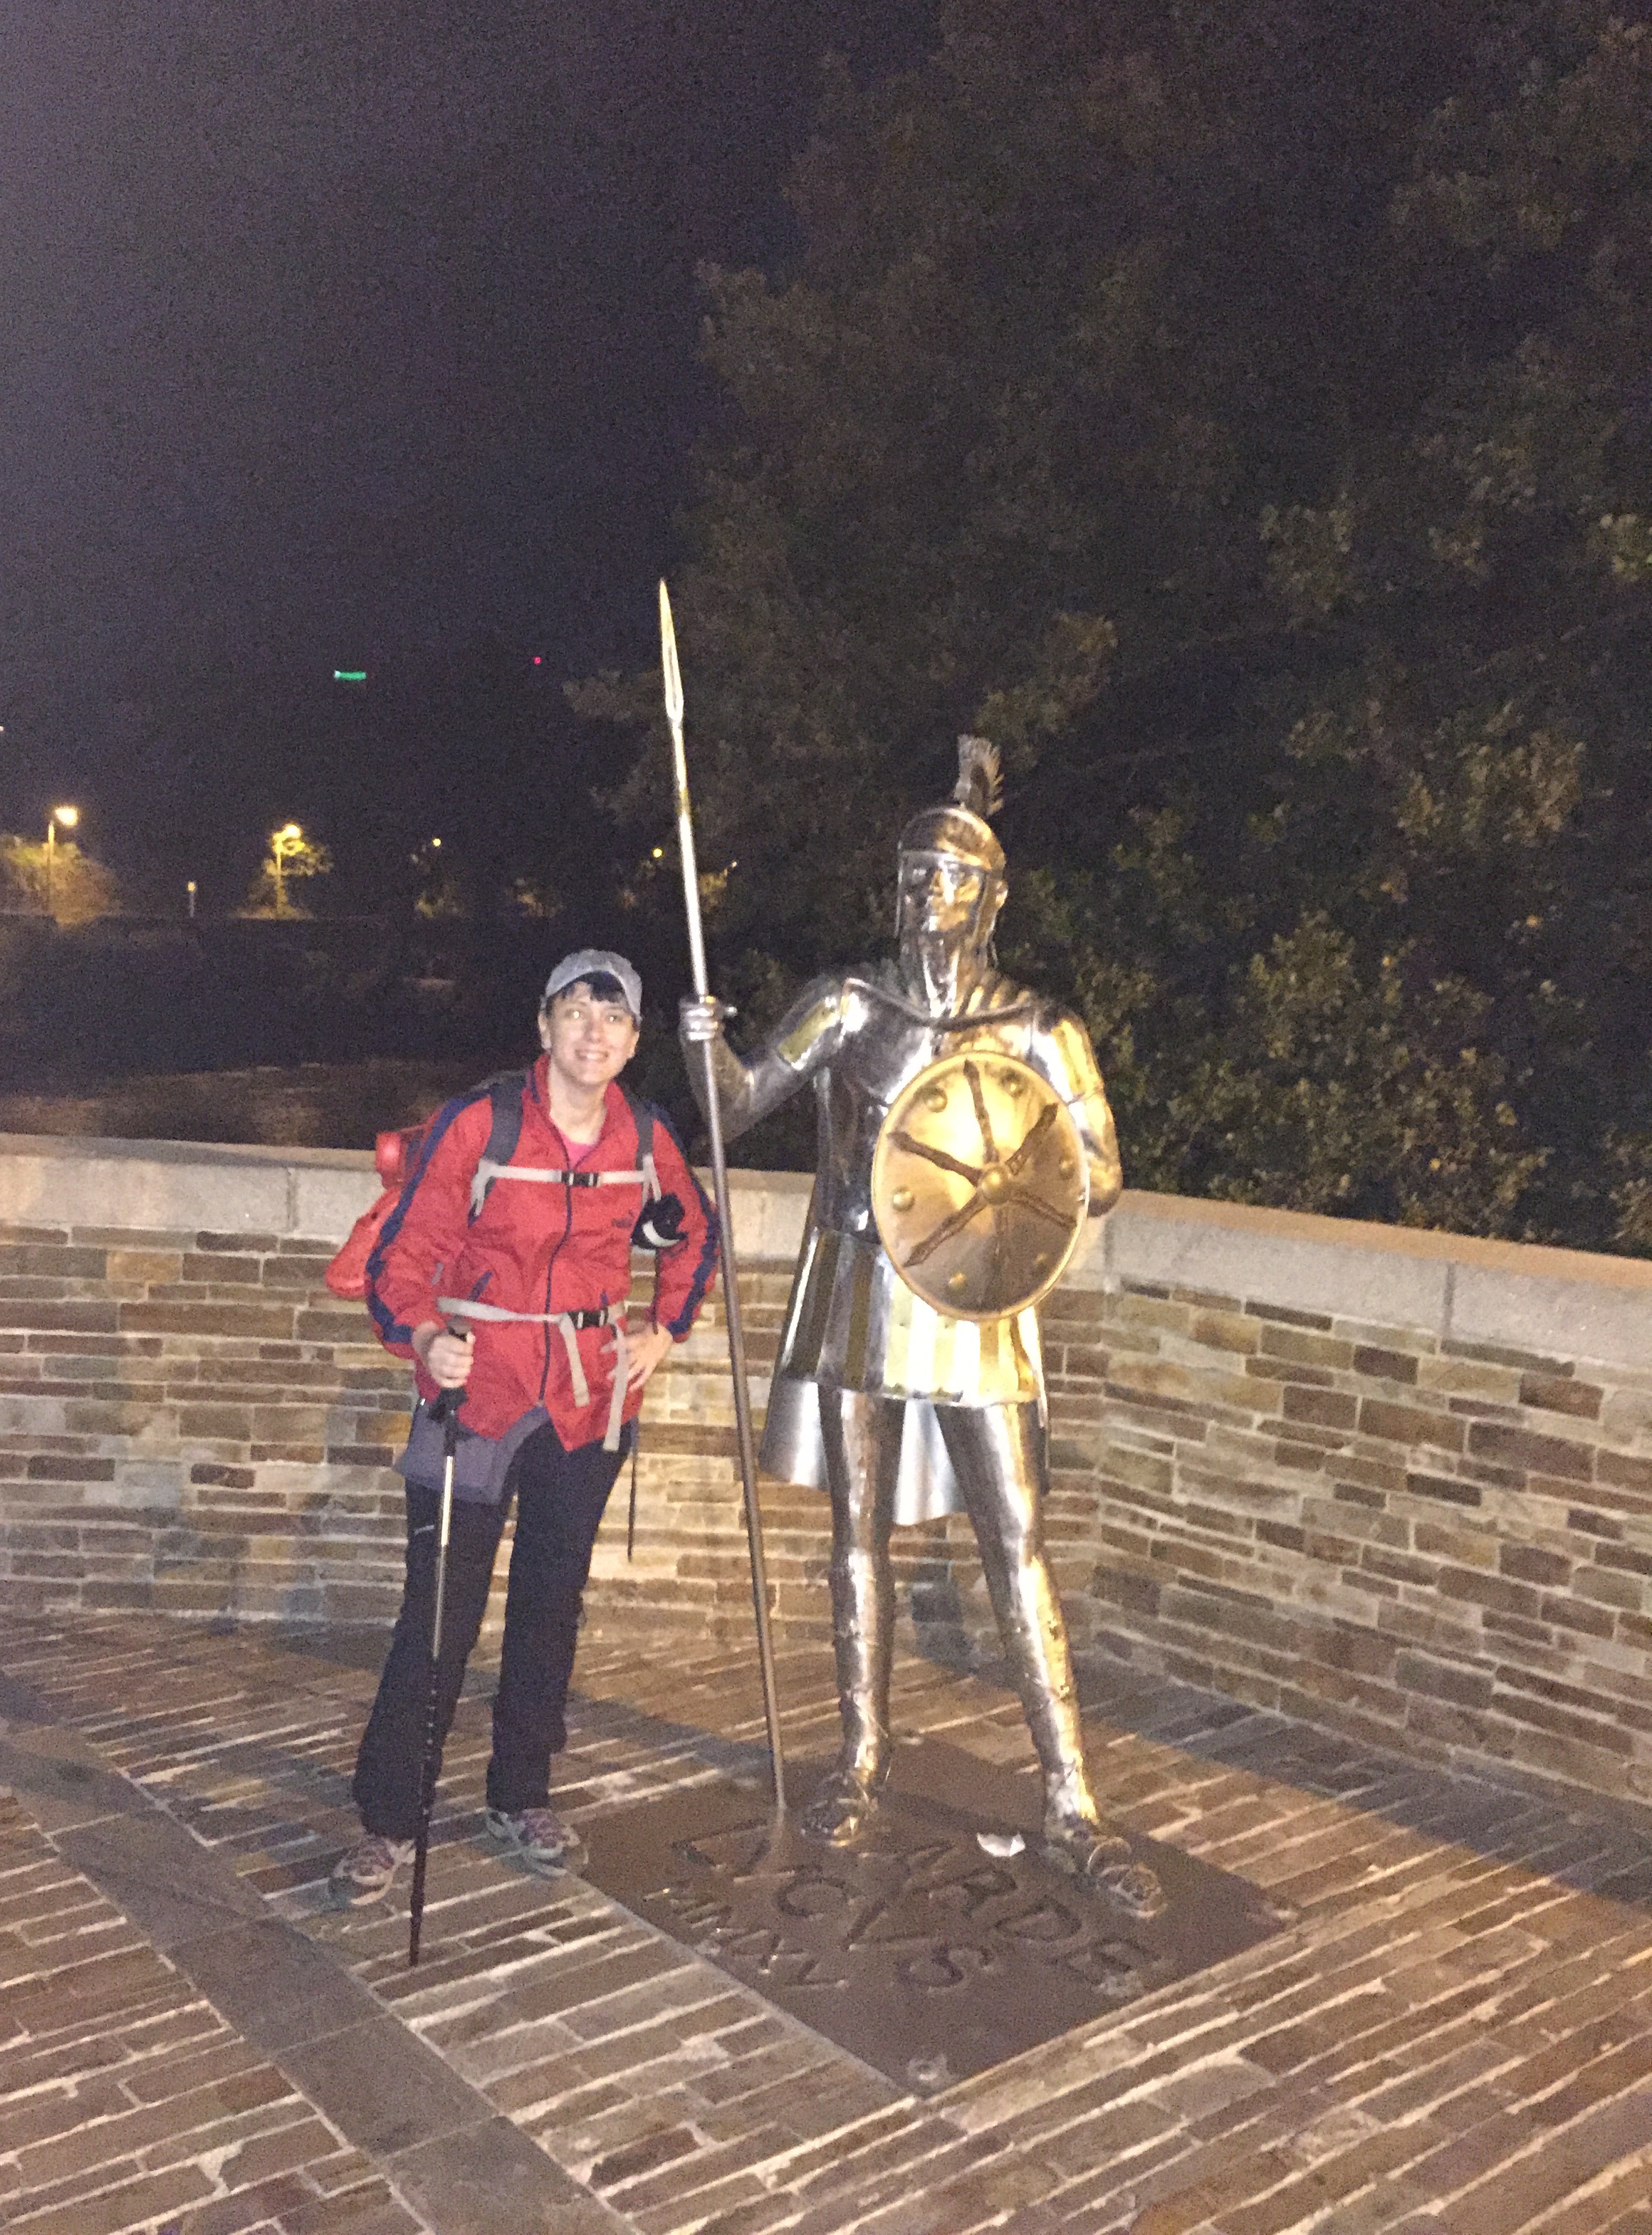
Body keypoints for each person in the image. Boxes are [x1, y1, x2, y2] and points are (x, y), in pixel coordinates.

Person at [681, 740, 1161, 1915]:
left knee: (1017, 1538)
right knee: (857, 1533)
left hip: (976, 1299)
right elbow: (739, 1109)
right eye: (910, 877)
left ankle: (1072, 1799)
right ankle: (860, 1759)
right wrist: (703, 1050)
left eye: (945, 878)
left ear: (989, 898)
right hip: (860, 1283)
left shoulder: (1041, 1029)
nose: (922, 896)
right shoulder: (851, 1005)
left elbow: (1097, 1175)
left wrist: (1015, 1165)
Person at [330, 948, 718, 1905]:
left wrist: (664, 1331)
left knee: (551, 1607)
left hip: (586, 1406)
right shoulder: (482, 1122)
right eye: (577, 1012)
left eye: (615, 1018)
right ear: (544, 1025)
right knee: (439, 1615)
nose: (595, 1032)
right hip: (478, 1398)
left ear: (633, 1041)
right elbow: (399, 1262)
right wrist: (426, 1338)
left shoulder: (645, 1135)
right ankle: (390, 1818)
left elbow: (696, 1235)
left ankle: (520, 1795)